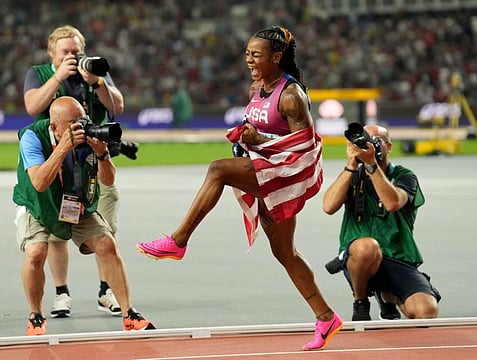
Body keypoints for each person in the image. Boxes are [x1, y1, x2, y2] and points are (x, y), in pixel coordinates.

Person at [137, 26, 343, 351]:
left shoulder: (291, 96)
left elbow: (303, 148)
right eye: (247, 53)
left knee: (218, 170)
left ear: (277, 57)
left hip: (282, 177)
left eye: (256, 54)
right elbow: (260, 127)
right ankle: (326, 316)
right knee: (284, 252)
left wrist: (259, 140)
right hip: (264, 175)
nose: (249, 59)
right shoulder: (256, 88)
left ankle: (178, 241)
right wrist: (246, 135)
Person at [13, 96, 155, 336]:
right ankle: (35, 316)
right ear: (54, 126)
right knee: (37, 252)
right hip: (39, 204)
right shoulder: (31, 137)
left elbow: (108, 180)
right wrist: (64, 148)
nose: (80, 127)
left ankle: (128, 313)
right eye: (72, 123)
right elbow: (38, 182)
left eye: (82, 120)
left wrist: (102, 155)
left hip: (76, 203)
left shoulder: (90, 136)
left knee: (107, 244)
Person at [23, 25, 125, 318]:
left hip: (94, 157)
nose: (73, 56)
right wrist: (58, 77)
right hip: (57, 160)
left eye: (76, 50)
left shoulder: (93, 70)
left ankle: (106, 290)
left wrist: (96, 82)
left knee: (106, 224)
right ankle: (61, 293)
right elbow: (32, 107)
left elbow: (117, 106)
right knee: (55, 230)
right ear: (51, 52)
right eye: (66, 51)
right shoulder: (39, 73)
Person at [322, 123, 441, 321]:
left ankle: (388, 295)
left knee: (426, 313)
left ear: (389, 146)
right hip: (361, 257)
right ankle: (360, 301)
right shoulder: (352, 175)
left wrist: (371, 166)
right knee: (368, 247)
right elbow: (328, 206)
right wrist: (351, 165)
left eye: (376, 140)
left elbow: (392, 203)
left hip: (398, 256)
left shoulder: (404, 176)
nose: (370, 144)